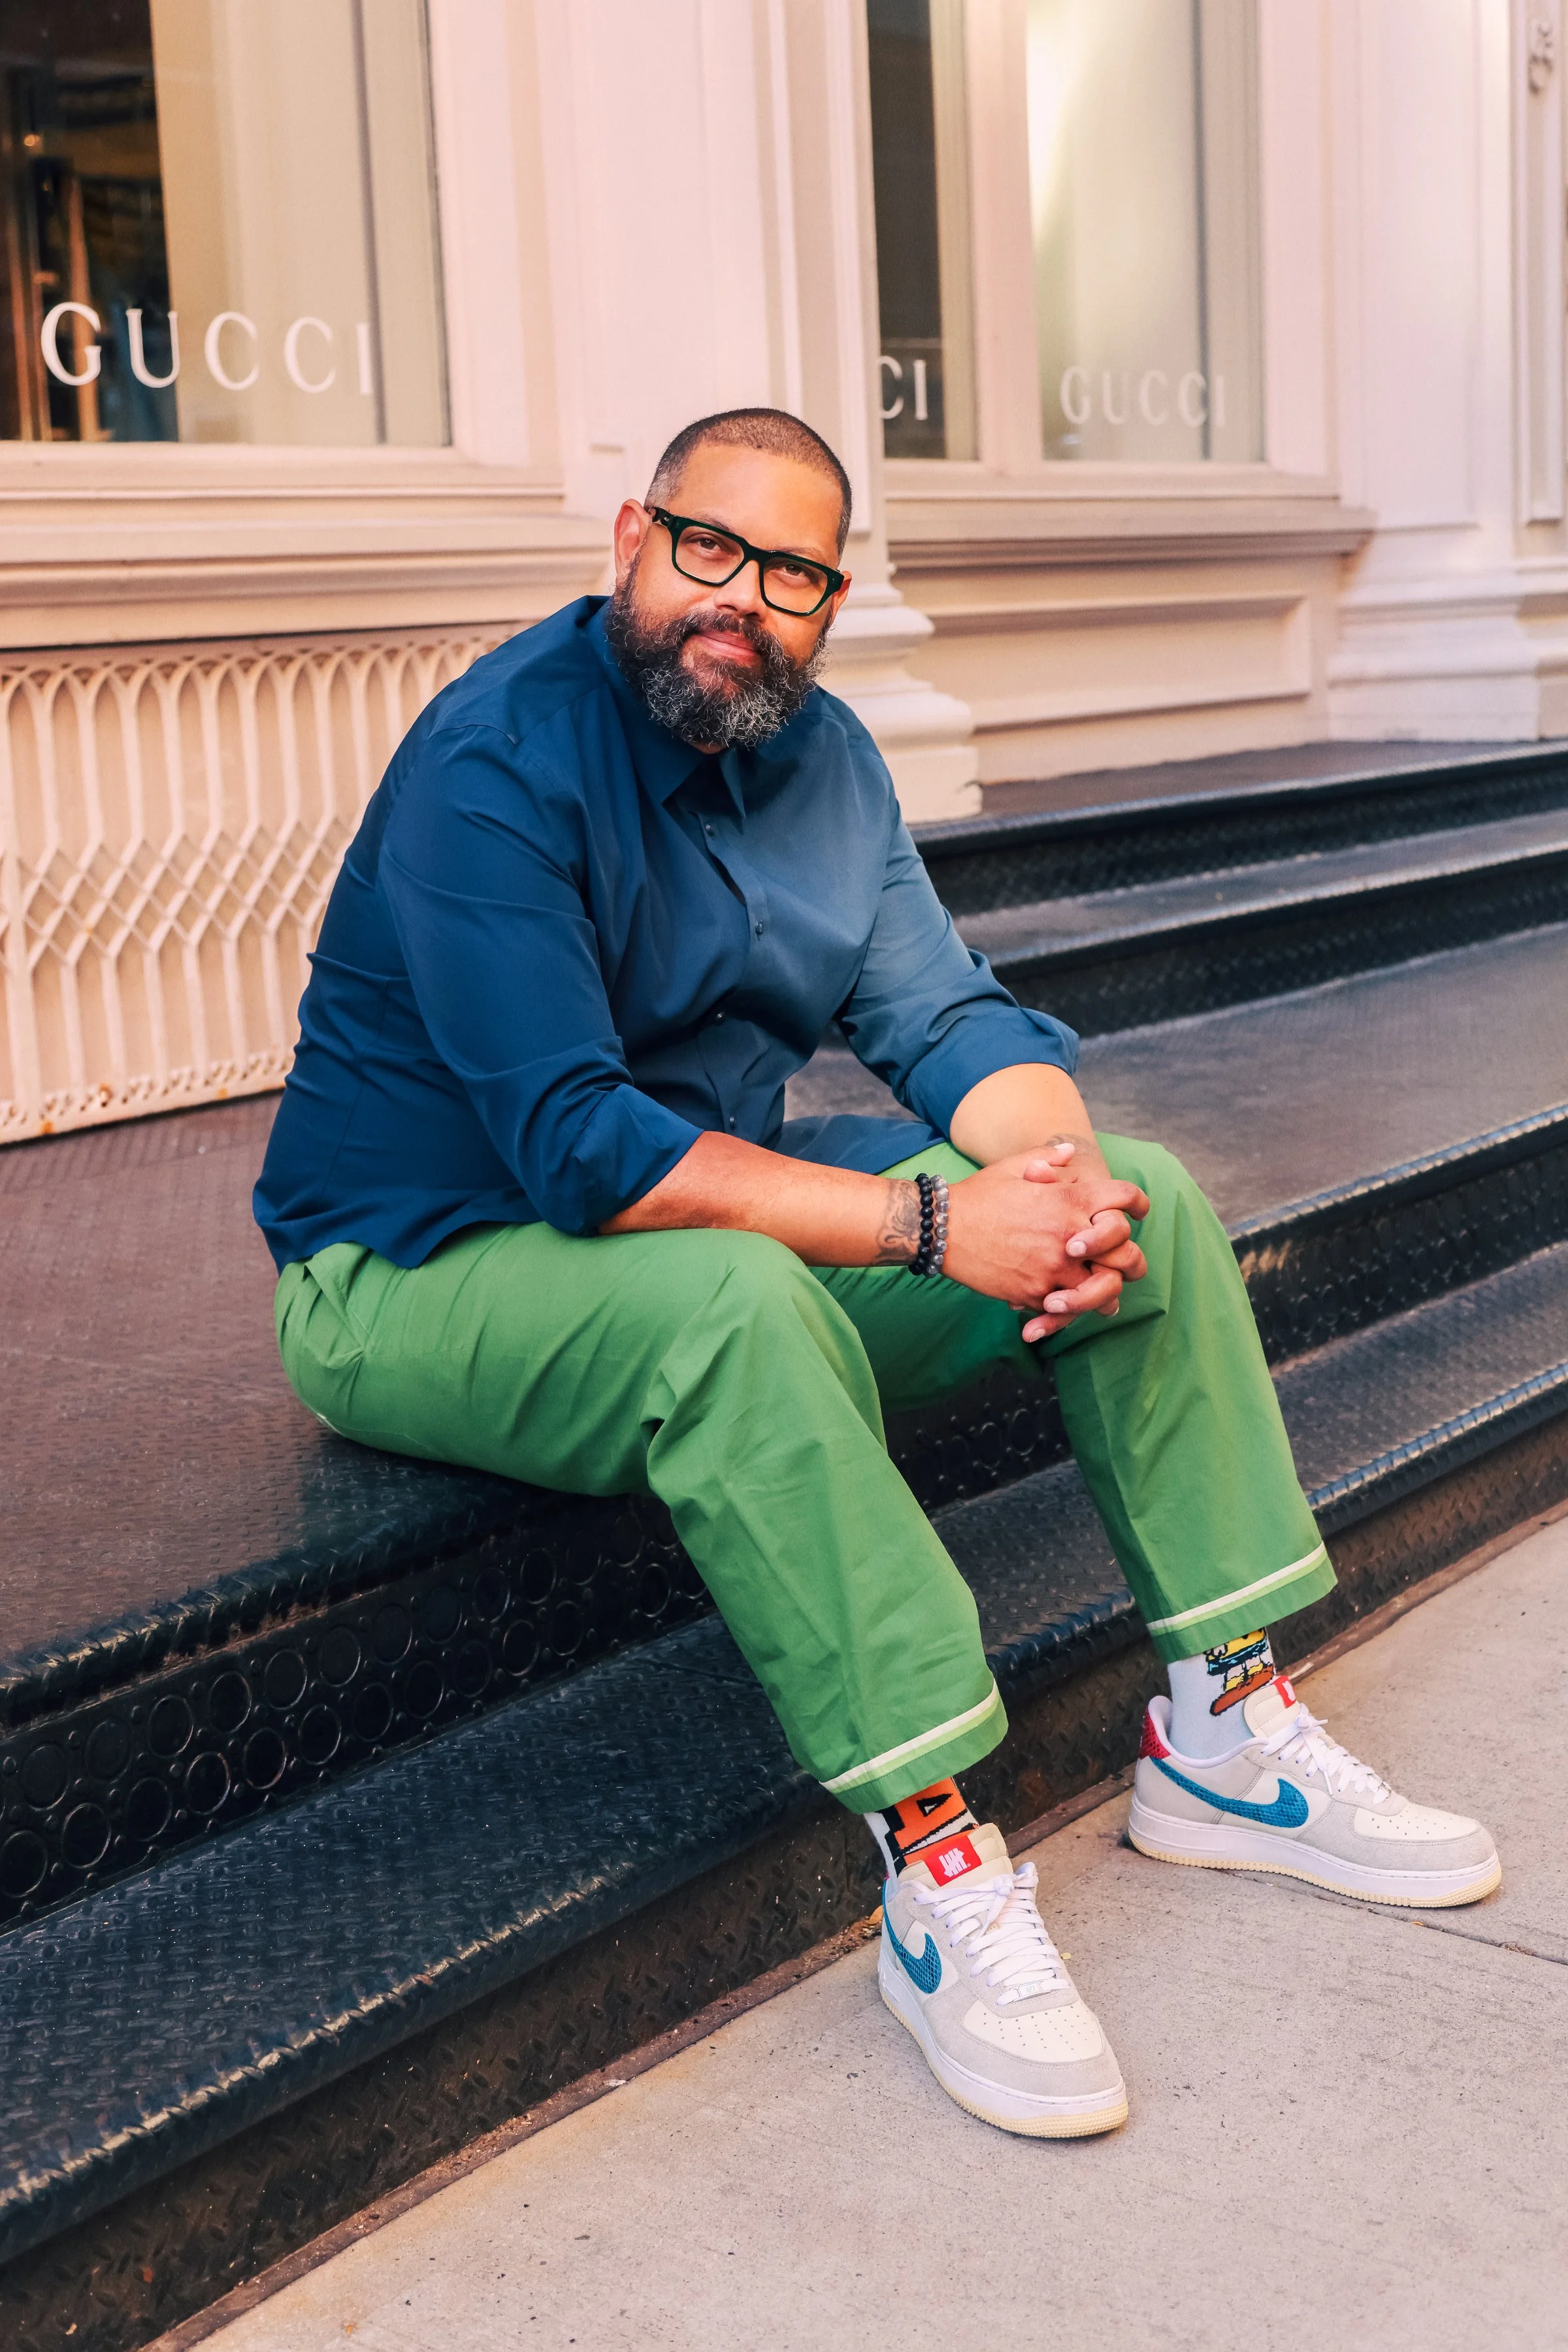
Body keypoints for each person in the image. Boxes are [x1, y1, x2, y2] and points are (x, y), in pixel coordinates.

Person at [255, 408, 1499, 2141]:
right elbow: (577, 1146)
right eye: (709, 548)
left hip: (681, 1222)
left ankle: (1227, 1730)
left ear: (831, 602)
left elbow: (945, 1017)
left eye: (790, 573)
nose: (739, 600)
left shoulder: (822, 762)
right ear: (633, 534)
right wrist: (928, 1226)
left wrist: (1052, 1178)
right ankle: (933, 1867)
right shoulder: (496, 763)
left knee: (1137, 1190)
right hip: (413, 1266)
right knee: (737, 1305)